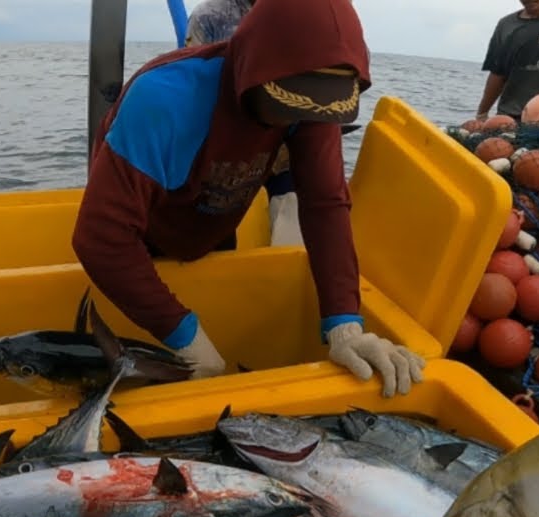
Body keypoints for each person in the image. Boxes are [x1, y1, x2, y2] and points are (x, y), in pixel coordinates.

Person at [70, 0, 426, 398]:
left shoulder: (312, 107)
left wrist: (344, 324)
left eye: (315, 107)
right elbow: (101, 237)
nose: (298, 117)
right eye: (286, 102)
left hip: (214, 221)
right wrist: (185, 337)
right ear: (251, 68)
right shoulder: (164, 98)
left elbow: (325, 205)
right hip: (144, 230)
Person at [181, 0, 304, 247]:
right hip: (226, 160)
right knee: (213, 245)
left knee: (294, 239)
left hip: (285, 154)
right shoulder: (209, 16)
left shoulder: (303, 14)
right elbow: (194, 92)